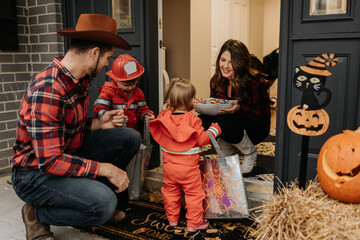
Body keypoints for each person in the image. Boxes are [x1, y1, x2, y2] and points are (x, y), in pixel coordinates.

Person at [10, 14, 142, 240]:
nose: (105, 65)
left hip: (66, 153)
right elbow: (50, 161)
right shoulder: (49, 90)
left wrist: (98, 124)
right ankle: (37, 214)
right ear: (94, 53)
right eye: (107, 58)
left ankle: (89, 196)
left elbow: (67, 129)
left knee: (129, 137)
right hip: (33, 174)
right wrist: (105, 168)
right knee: (104, 204)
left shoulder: (78, 80)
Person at [148, 79, 222, 232]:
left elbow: (160, 119)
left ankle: (172, 219)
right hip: (189, 170)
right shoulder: (193, 120)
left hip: (169, 169)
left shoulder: (164, 118)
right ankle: (194, 224)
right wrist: (215, 129)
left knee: (170, 192)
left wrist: (163, 110)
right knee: (194, 194)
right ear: (191, 102)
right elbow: (202, 139)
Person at [198, 39, 270, 174]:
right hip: (228, 124)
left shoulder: (255, 82)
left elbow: (262, 117)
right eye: (223, 60)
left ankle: (250, 153)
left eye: (231, 62)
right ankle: (227, 152)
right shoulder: (216, 81)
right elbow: (216, 107)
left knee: (224, 121)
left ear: (241, 63)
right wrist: (203, 107)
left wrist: (239, 108)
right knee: (200, 120)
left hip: (255, 127)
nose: (225, 66)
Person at [94, 54, 155, 130]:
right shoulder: (108, 91)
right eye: (126, 85)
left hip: (132, 132)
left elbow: (142, 109)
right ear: (116, 79)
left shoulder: (138, 93)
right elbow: (99, 109)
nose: (131, 87)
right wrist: (113, 117)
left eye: (134, 83)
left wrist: (147, 115)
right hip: (113, 132)